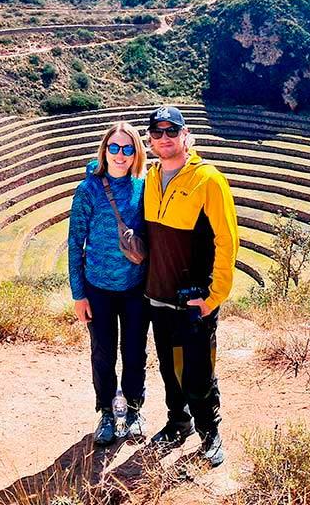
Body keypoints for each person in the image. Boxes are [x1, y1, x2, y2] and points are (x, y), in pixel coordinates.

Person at [143, 105, 239, 467]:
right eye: (158, 133)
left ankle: (210, 431)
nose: (165, 139)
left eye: (172, 132)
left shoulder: (208, 180)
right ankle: (177, 422)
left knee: (198, 370)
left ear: (185, 136)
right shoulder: (151, 177)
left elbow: (227, 240)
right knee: (169, 367)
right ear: (150, 139)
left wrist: (214, 296)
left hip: (194, 298)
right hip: (158, 294)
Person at [68, 121, 149, 446]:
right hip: (98, 288)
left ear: (135, 153)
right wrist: (79, 295)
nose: (119, 154)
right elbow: (75, 243)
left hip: (135, 289)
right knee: (102, 354)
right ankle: (105, 412)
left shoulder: (143, 187)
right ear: (104, 150)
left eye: (127, 148)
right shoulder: (88, 190)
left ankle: (132, 410)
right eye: (113, 147)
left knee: (135, 353)